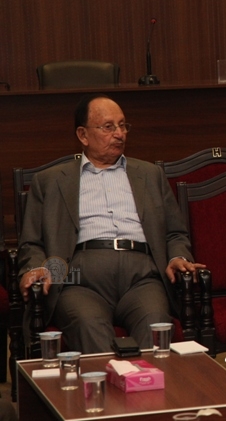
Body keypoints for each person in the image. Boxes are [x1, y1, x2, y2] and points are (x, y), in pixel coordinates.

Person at [18, 94, 205, 353]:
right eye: (108, 127)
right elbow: (31, 242)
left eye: (123, 125)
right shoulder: (50, 181)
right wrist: (36, 268)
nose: (119, 134)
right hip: (80, 280)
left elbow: (175, 233)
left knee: (155, 323)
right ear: (83, 135)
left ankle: (146, 381)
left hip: (142, 278)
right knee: (87, 324)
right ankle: (109, 380)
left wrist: (177, 257)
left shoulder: (150, 175)